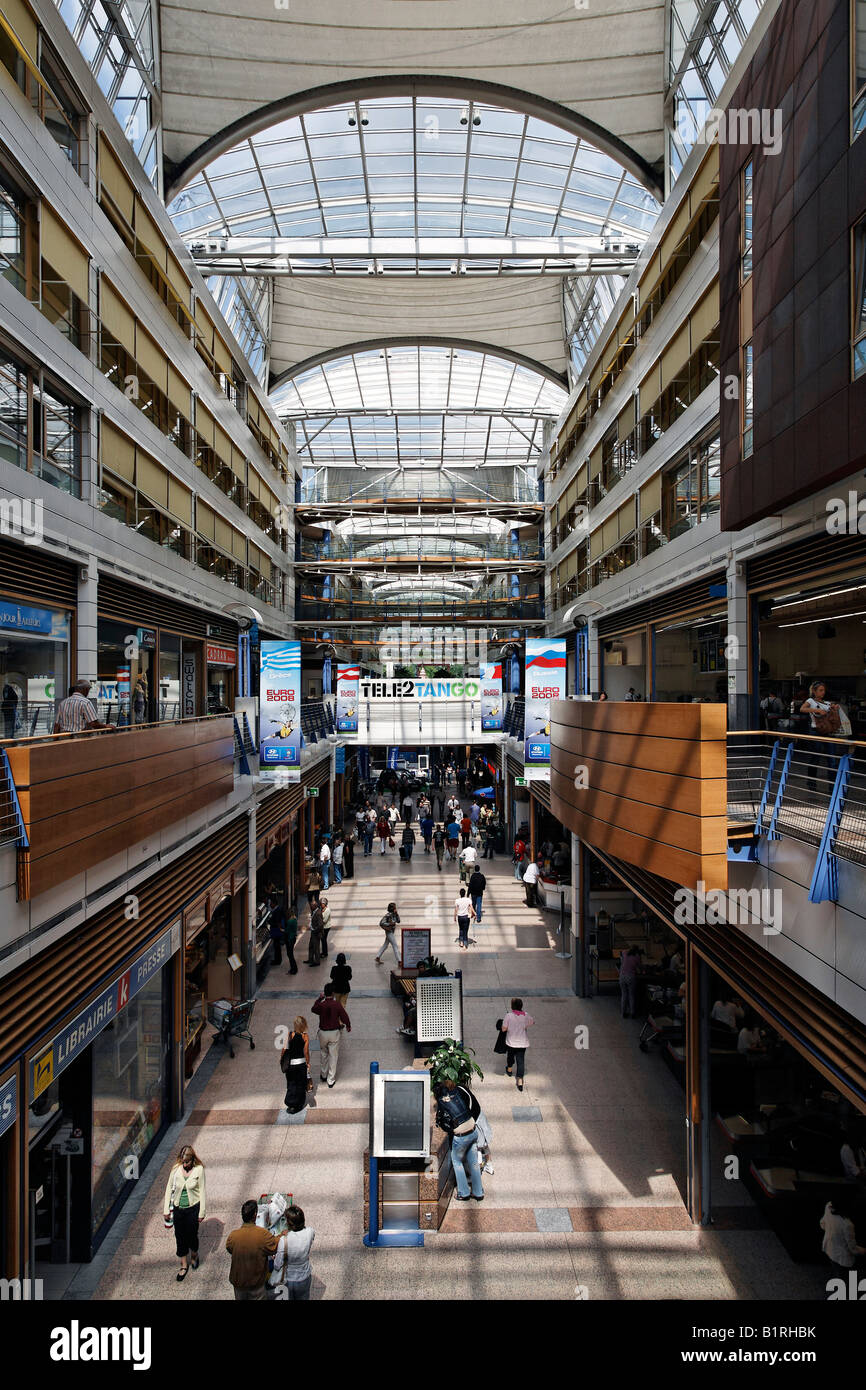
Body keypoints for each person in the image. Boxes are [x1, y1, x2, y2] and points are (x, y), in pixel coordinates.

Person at [435, 1080, 484, 1202]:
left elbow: (441, 1121)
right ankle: (478, 1192)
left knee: (457, 1162)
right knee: (473, 1162)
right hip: (473, 1131)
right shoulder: (457, 1092)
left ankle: (463, 1193)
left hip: (461, 1136)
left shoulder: (442, 1100)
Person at [163, 1144, 206, 1281]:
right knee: (179, 1236)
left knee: (192, 1235)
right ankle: (183, 1264)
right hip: (178, 1209)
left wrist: (202, 1212)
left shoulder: (199, 1170)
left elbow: (202, 1191)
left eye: (186, 1161)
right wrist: (166, 1210)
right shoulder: (176, 1169)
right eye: (182, 1161)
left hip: (193, 1208)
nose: (184, 1164)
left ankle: (194, 1254)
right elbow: (169, 1188)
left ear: (192, 1159)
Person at [226, 1199, 278, 1301]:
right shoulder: (262, 1234)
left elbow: (229, 1248)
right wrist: (282, 1235)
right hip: (256, 1285)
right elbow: (274, 1246)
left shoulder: (233, 1235)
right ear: (255, 1215)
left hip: (238, 1283)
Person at [268, 1204, 315, 1301]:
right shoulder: (310, 1232)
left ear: (289, 1224)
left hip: (288, 1280)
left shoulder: (284, 1240)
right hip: (304, 1277)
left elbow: (277, 1265)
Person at [311, 982, 351, 1087]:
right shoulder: (337, 1004)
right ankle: (331, 1079)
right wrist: (348, 1025)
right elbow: (344, 1016)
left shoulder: (322, 1005)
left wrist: (319, 999)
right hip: (334, 1033)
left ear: (324, 993)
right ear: (333, 993)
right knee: (333, 1056)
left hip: (322, 1033)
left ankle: (323, 1074)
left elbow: (313, 1009)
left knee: (323, 1054)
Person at [820, 1199, 865, 1282]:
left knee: (837, 1271)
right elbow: (852, 1249)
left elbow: (822, 1224)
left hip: (829, 1248)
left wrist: (832, 1232)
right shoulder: (847, 1224)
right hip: (843, 1258)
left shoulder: (828, 1206)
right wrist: (863, 1250)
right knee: (845, 1276)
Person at [500, 998, 534, 1091]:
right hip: (522, 1043)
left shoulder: (509, 1016)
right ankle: (520, 1080)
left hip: (511, 1042)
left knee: (510, 1057)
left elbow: (503, 1029)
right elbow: (532, 1022)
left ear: (512, 1006)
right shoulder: (525, 1015)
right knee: (521, 1061)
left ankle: (509, 1069)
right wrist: (524, 1026)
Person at [281, 1015, 311, 1114]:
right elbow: (306, 1052)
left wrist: (281, 1059)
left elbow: (284, 1049)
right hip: (301, 1064)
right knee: (300, 1084)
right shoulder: (305, 1036)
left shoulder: (290, 1035)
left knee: (291, 1083)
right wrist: (308, 1062)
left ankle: (290, 1102)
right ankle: (298, 1104)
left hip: (291, 1065)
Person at [619, 945, 641, 1018]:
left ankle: (623, 1013)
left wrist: (622, 959)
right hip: (631, 977)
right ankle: (632, 1013)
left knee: (624, 995)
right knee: (631, 995)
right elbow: (640, 967)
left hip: (622, 976)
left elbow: (621, 953)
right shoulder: (637, 956)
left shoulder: (624, 952)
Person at [304, 900, 324, 966]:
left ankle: (317, 961)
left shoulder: (318, 913)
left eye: (311, 905)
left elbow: (320, 924)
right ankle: (310, 959)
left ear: (315, 906)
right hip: (313, 932)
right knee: (311, 946)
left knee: (316, 947)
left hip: (316, 933)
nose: (310, 906)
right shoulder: (314, 911)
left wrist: (315, 931)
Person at [268, 898, 285, 966]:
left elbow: (277, 922)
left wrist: (269, 921)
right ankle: (277, 959)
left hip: (276, 931)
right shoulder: (277, 909)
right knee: (276, 946)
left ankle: (277, 960)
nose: (270, 905)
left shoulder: (277, 911)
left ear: (274, 904)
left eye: (271, 903)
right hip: (277, 931)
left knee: (277, 946)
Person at [283, 905, 299, 974]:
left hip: (290, 939)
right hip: (293, 938)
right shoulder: (295, 919)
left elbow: (287, 931)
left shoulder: (290, 921)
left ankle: (294, 969)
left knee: (290, 955)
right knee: (290, 954)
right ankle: (293, 968)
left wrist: (282, 930)